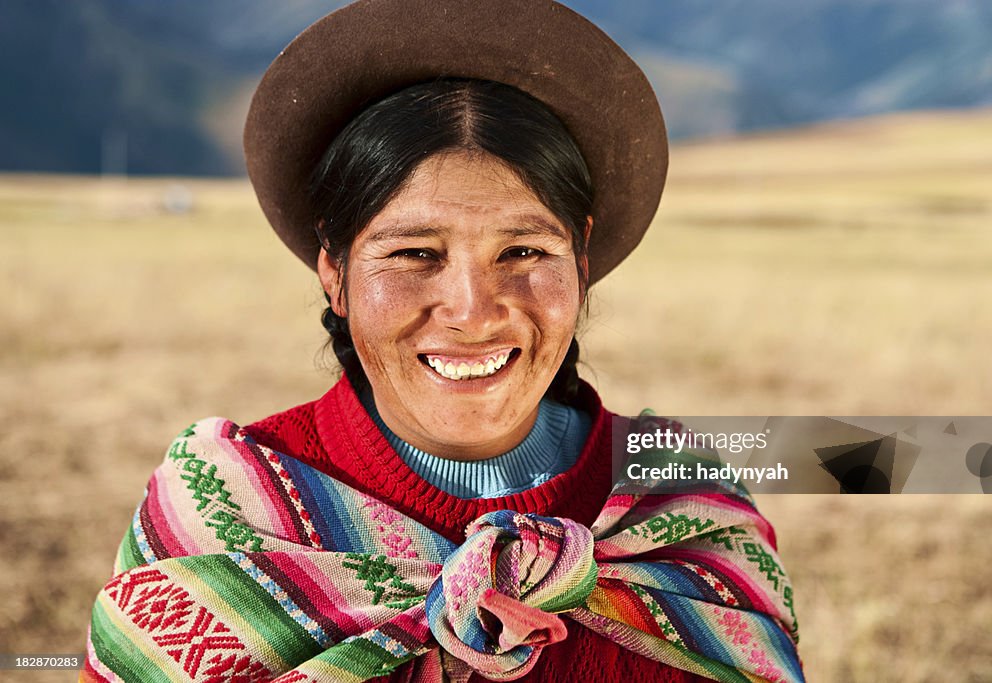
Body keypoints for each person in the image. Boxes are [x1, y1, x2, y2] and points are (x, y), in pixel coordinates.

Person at [82, 2, 803, 681]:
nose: (473, 311)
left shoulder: (684, 506)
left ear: (580, 262)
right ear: (334, 271)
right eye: (414, 254)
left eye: (523, 251)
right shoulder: (224, 519)